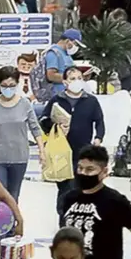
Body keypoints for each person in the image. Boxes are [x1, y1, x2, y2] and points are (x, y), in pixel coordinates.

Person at [0, 65, 43, 239]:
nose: (8, 89)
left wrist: (42, 150)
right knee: (0, 196)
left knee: (13, 195)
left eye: (12, 85)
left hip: (19, 157)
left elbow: (35, 128)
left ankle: (10, 232)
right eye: (4, 85)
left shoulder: (25, 104)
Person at [40, 68, 105, 213]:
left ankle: (76, 217)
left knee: (79, 185)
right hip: (61, 150)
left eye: (79, 78)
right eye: (72, 78)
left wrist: (98, 138)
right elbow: (43, 120)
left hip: (82, 150)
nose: (76, 81)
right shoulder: (57, 100)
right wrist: (54, 126)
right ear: (65, 82)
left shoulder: (91, 101)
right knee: (65, 186)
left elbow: (99, 121)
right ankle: (63, 216)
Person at [42, 29, 80, 99]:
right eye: (75, 44)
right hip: (58, 95)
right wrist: (70, 78)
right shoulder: (53, 53)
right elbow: (51, 76)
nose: (76, 47)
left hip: (69, 95)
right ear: (67, 41)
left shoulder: (66, 54)